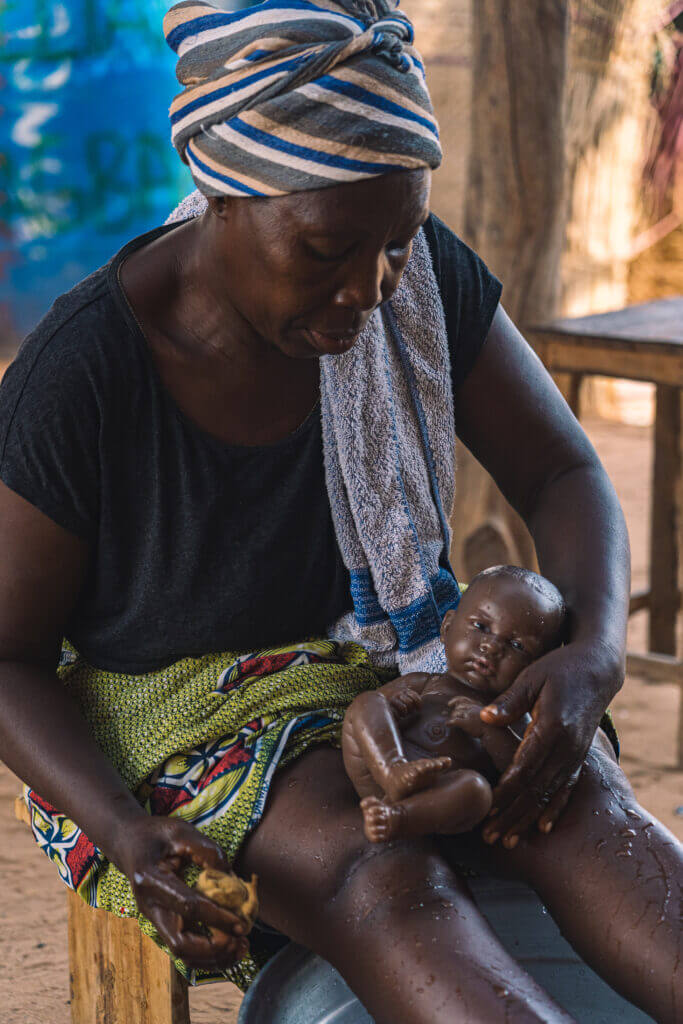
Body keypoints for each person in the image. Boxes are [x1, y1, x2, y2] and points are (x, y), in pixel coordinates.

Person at [0, 2, 679, 1022]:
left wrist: (591, 651)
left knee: (569, 795)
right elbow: (7, 656)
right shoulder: (85, 372)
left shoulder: (409, 279)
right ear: (223, 198)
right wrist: (125, 832)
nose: (370, 288)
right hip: (173, 713)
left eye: (396, 245)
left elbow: (559, 469)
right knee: (382, 876)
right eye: (324, 249)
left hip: (382, 661)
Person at [342, 566, 569, 842]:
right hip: (378, 773)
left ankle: (397, 817)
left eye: (517, 646)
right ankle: (394, 772)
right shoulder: (424, 682)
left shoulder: (513, 716)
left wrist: (488, 731)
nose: (491, 647)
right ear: (447, 627)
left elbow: (518, 769)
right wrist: (394, 706)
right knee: (368, 702)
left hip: (440, 797)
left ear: (537, 669)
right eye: (481, 627)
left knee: (477, 791)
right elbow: (376, 715)